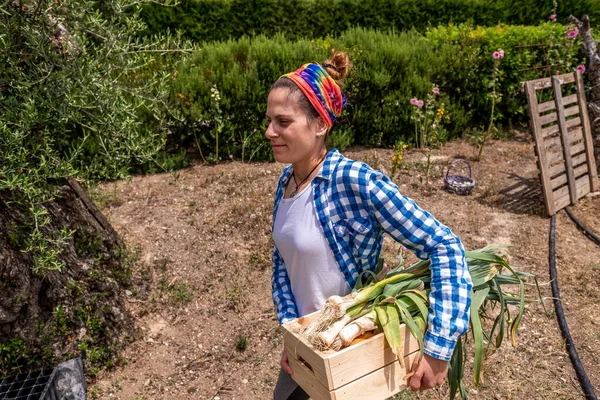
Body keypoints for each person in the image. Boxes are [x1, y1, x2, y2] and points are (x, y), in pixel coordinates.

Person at [266, 50, 472, 400]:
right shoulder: (287, 180)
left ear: (320, 125)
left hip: (353, 353)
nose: (269, 131)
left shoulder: (353, 179)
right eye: (269, 119)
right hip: (310, 349)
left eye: (283, 122)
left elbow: (444, 247)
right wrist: (292, 332)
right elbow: (282, 261)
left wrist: (438, 350)